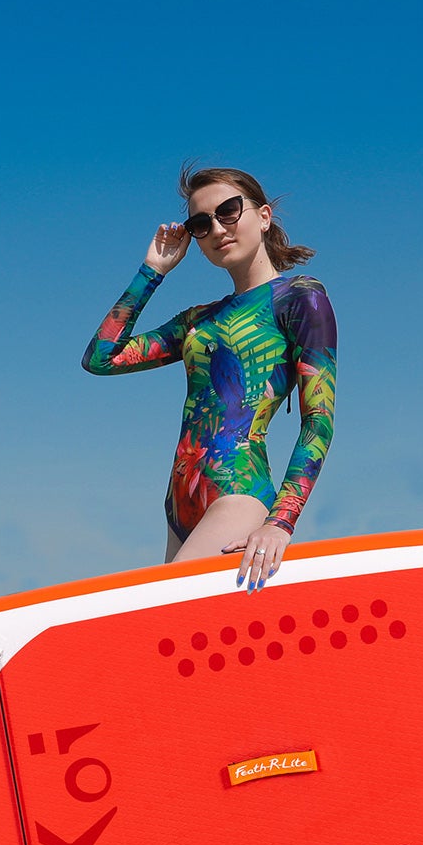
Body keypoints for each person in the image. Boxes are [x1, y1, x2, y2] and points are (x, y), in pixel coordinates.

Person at [82, 166, 337, 592]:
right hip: (179, 504)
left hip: (237, 494)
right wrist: (153, 270)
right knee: (174, 646)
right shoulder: (198, 320)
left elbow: (319, 420)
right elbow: (101, 358)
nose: (217, 228)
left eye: (229, 211)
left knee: (161, 615)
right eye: (202, 223)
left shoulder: (301, 299)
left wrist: (281, 522)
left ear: (264, 216)